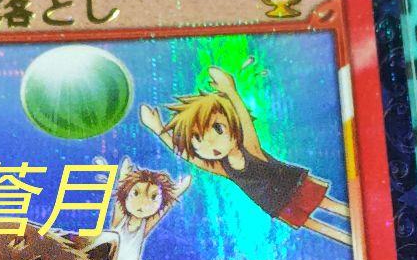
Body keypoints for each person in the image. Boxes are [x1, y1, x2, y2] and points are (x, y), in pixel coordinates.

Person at [140, 65, 351, 246]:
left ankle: (362, 223)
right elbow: (188, 156)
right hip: (275, 204)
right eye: (198, 139)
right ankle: (352, 240)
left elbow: (244, 120)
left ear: (232, 124)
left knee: (329, 205)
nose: (211, 143)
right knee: (315, 225)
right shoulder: (222, 167)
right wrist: (159, 130)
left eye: (218, 129)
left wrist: (230, 91)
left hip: (293, 185)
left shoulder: (249, 148)